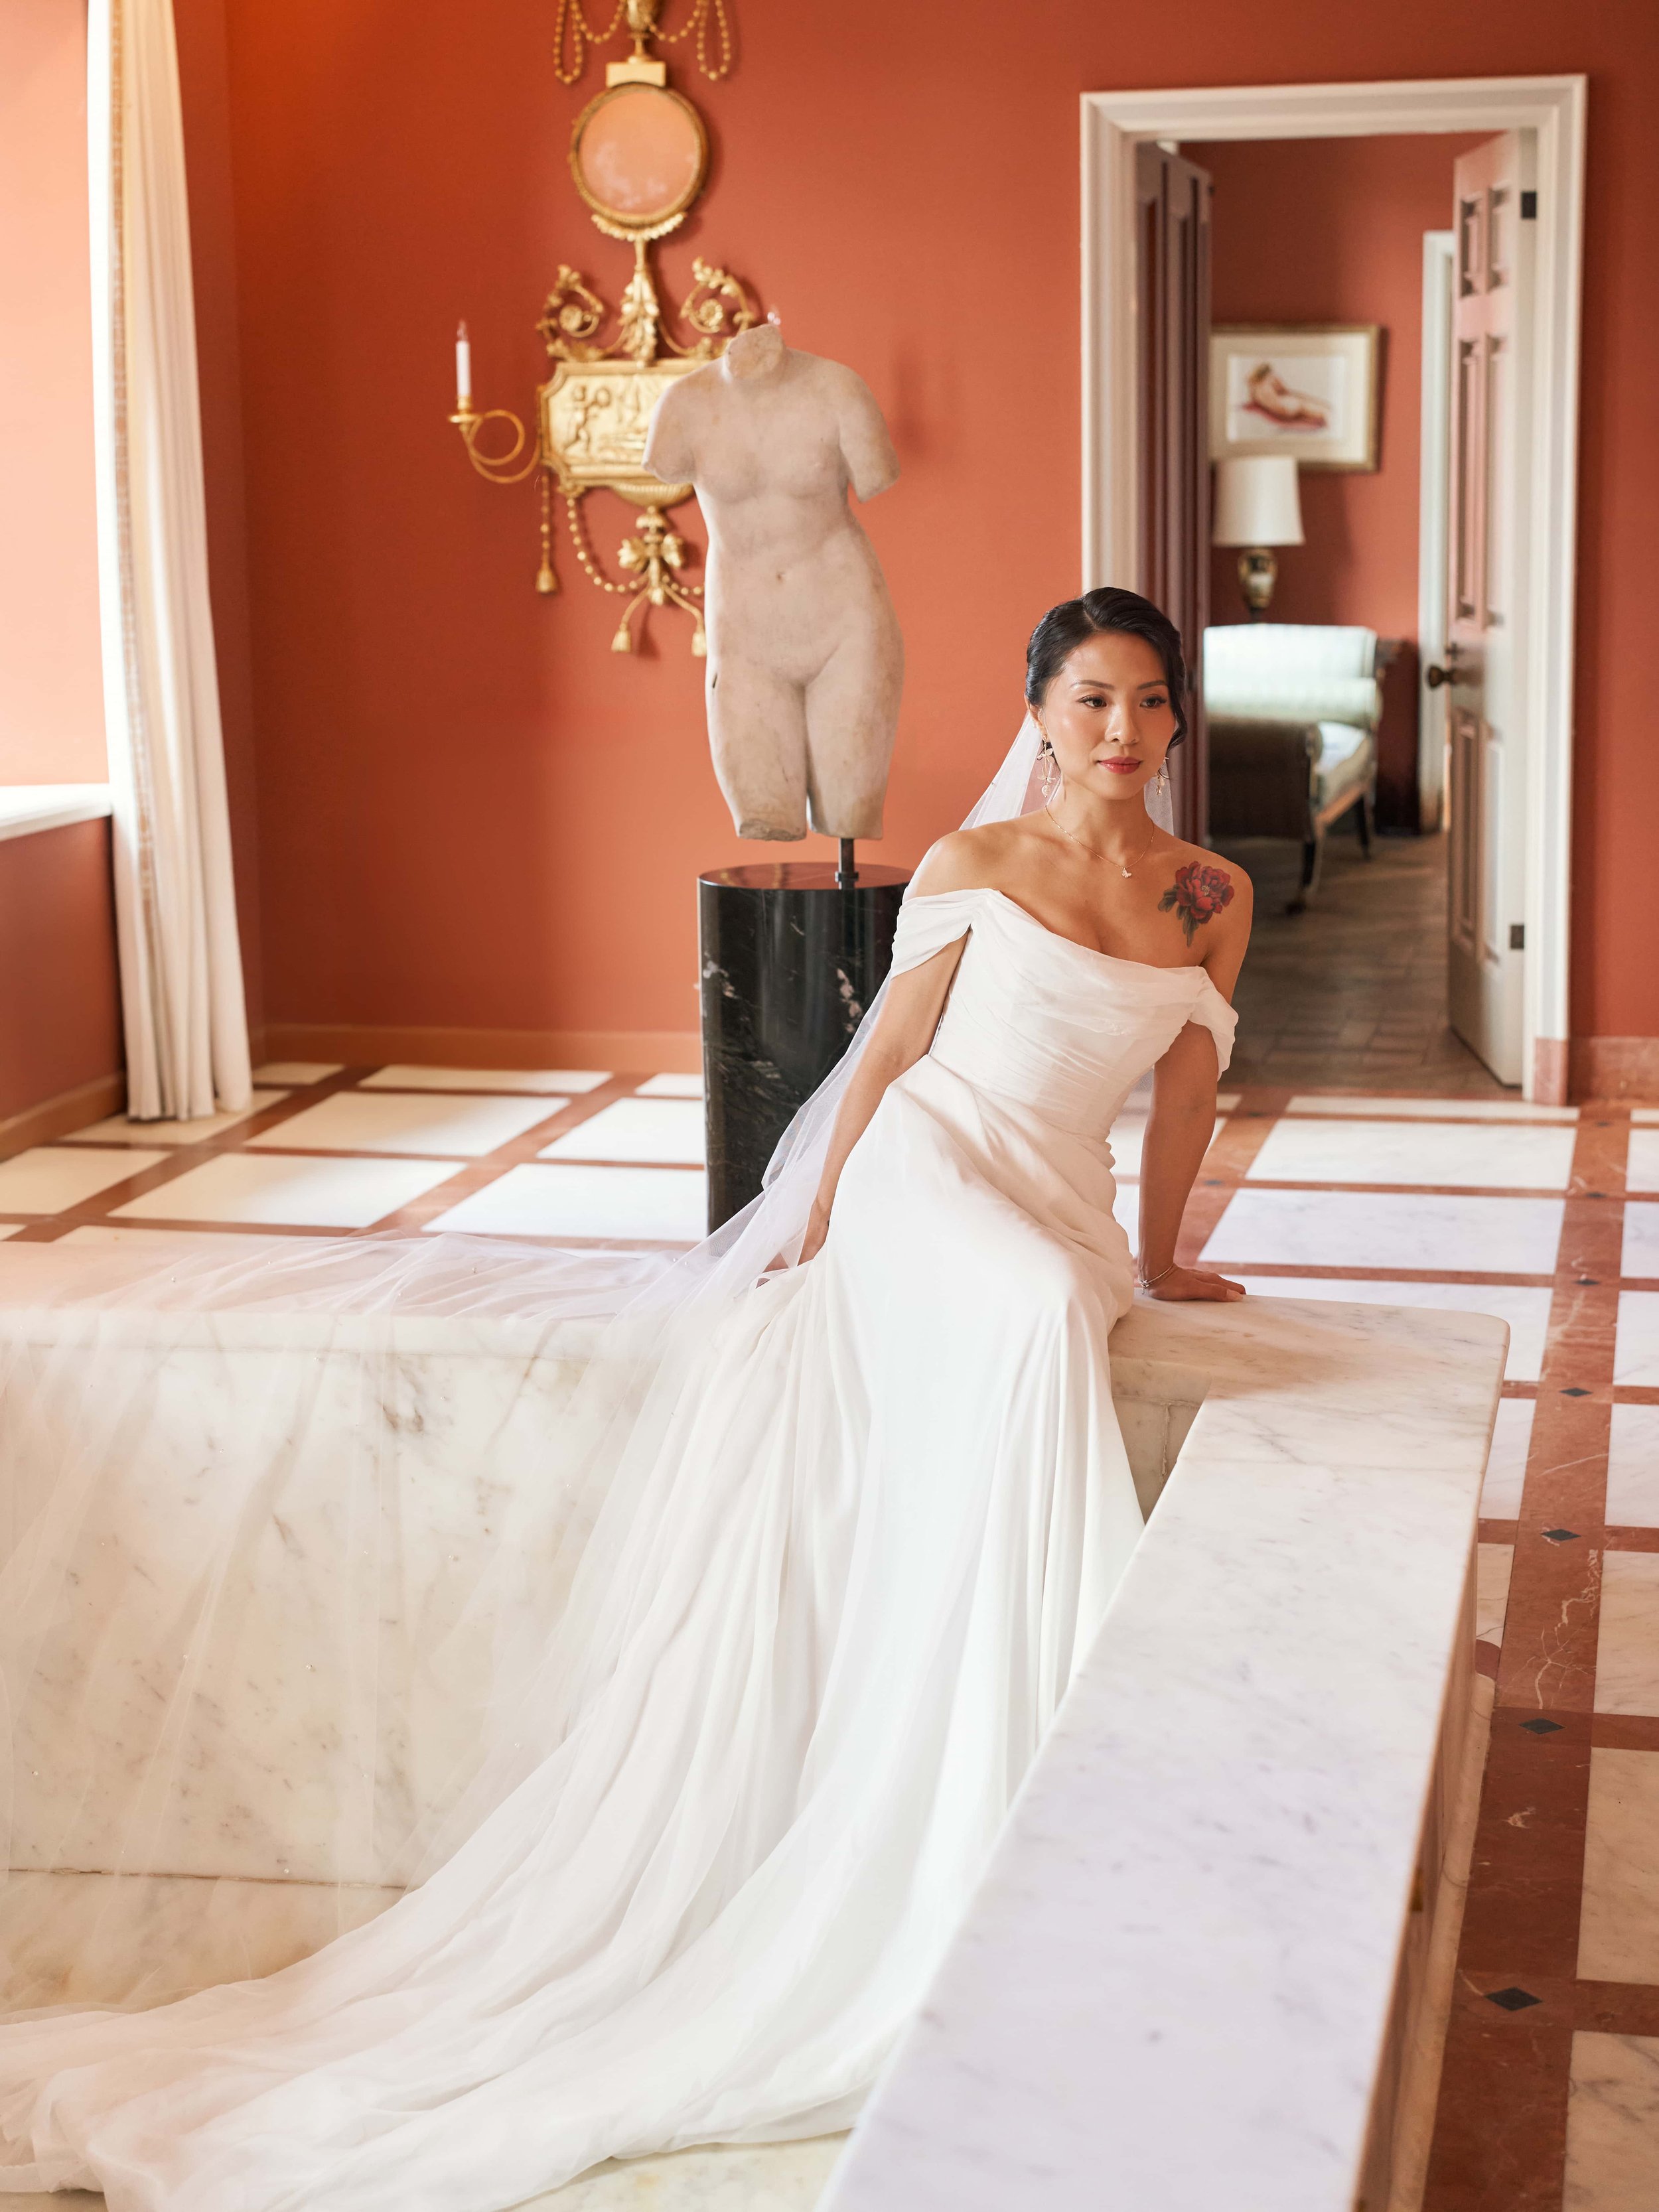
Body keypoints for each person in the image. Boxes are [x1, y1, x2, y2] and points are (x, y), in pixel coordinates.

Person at [0, 588, 1250, 2210]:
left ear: (1174, 722)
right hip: (932, 1177)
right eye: (1088, 698)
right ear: (1035, 709)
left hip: (1063, 1205)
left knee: (1048, 1308)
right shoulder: (973, 869)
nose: (1119, 732)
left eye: (1147, 702)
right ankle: (1011, 1798)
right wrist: (812, 1220)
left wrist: (1160, 1260)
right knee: (1015, 1324)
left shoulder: (1206, 897)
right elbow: (881, 1066)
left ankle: (1029, 1814)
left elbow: (1185, 1093)